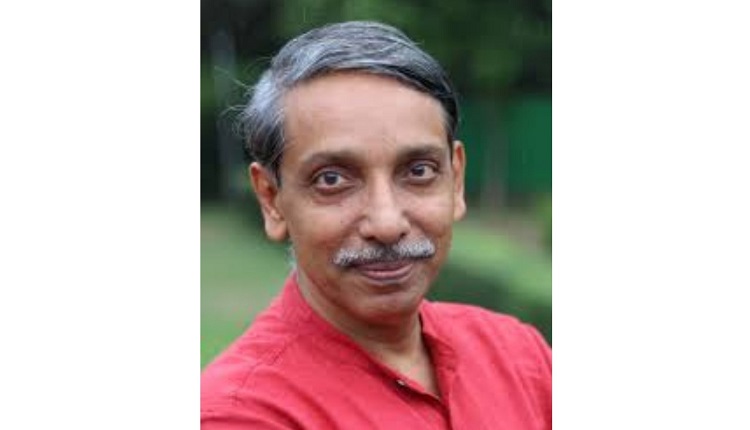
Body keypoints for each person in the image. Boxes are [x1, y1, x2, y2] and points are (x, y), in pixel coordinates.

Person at [201, 21, 551, 429]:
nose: (386, 223)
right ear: (271, 200)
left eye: (418, 171)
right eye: (332, 179)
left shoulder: (519, 358)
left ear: (456, 181)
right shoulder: (241, 414)